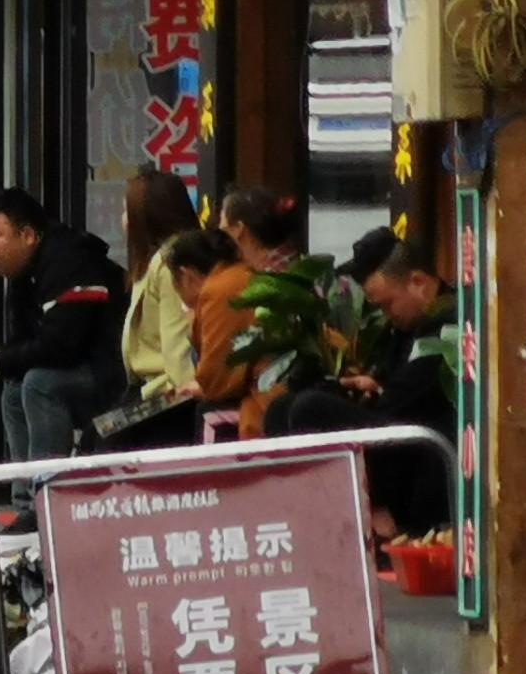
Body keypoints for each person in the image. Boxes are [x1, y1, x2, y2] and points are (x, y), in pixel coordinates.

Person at [274, 241, 458, 535]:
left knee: (310, 409)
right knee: (282, 408)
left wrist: (376, 392)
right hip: (398, 432)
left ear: (419, 283)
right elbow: (388, 384)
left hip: (424, 450)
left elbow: (401, 400)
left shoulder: (449, 327)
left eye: (388, 304)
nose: (386, 315)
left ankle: (379, 519)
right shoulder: (402, 330)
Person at [0, 187, 128, 458]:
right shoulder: (23, 271)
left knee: (39, 383)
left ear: (28, 236)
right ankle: (25, 498)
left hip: (111, 372)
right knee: (13, 390)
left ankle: (48, 487)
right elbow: (22, 343)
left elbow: (61, 346)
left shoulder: (69, 262)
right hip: (77, 366)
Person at [191, 185, 306, 440]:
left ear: (239, 229)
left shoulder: (236, 284)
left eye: (222, 224)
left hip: (267, 414)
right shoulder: (301, 270)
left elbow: (217, 381)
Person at [117, 168, 203, 403]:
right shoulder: (154, 260)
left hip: (166, 392)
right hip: (149, 387)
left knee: (105, 439)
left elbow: (177, 341)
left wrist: (186, 392)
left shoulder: (167, 263)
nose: (123, 218)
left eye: (127, 210)